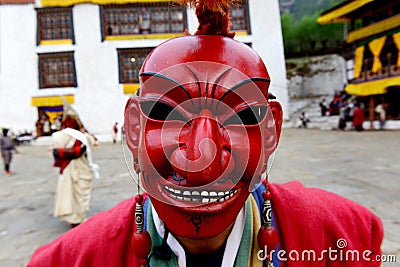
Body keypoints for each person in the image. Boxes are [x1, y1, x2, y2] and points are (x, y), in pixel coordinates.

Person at [28, 1, 383, 266]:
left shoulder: (343, 238)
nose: (204, 166)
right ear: (134, 130)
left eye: (240, 116)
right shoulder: (71, 259)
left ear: (271, 130)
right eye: (167, 113)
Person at [50, 99, 99, 228]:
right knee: (79, 193)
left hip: (69, 168)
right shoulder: (84, 136)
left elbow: (55, 152)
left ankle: (74, 218)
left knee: (70, 192)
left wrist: (59, 152)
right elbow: (91, 144)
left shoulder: (57, 136)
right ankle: (78, 217)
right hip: (80, 168)